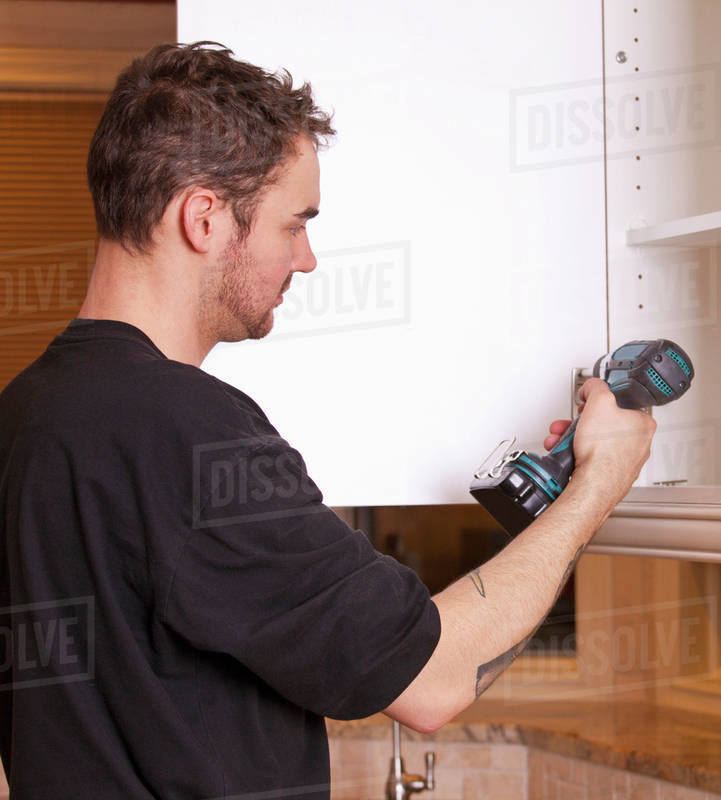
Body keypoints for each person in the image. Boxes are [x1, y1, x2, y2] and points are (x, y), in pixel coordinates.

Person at [0, 41, 654, 798]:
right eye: (293, 223)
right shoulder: (183, 428)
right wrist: (597, 486)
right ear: (204, 218)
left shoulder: (27, 411)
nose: (306, 258)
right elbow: (431, 681)